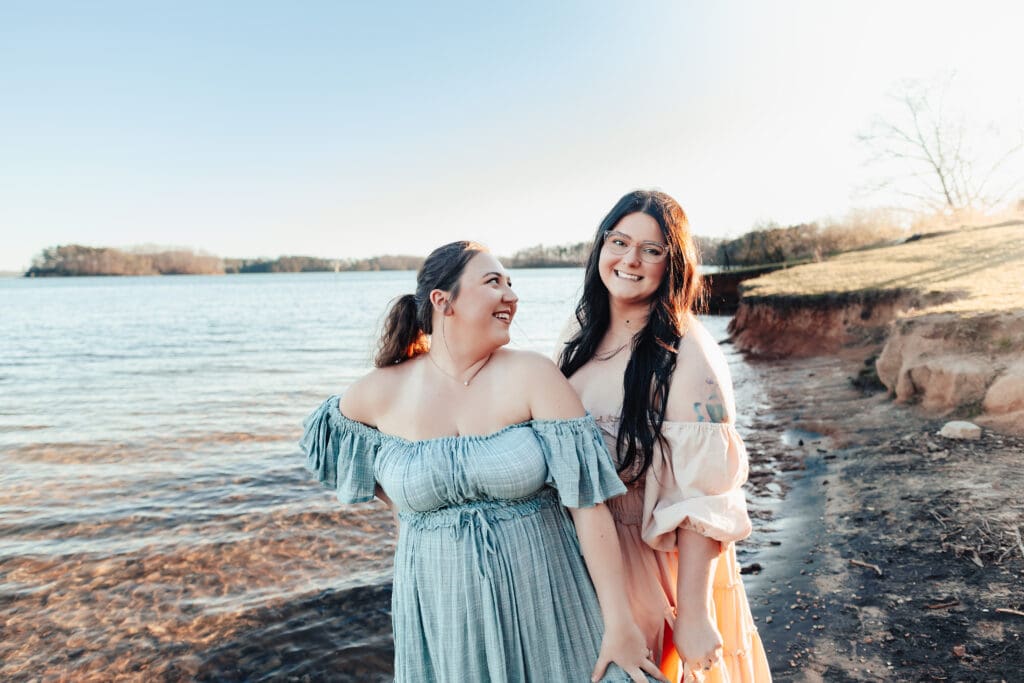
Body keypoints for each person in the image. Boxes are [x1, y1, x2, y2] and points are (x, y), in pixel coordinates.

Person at [300, 241, 668, 683]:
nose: (511, 297)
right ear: (443, 301)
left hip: (549, 600)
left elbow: (588, 507)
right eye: (494, 282)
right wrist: (412, 511)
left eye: (511, 284)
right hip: (442, 612)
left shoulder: (533, 375)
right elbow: (329, 446)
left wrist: (619, 623)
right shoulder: (380, 391)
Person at [557, 191, 772, 682]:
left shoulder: (687, 353)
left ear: (672, 264)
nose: (630, 260)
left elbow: (705, 499)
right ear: (600, 248)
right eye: (619, 242)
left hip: (651, 566)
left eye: (652, 251)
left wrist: (695, 614)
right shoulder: (579, 331)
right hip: (583, 555)